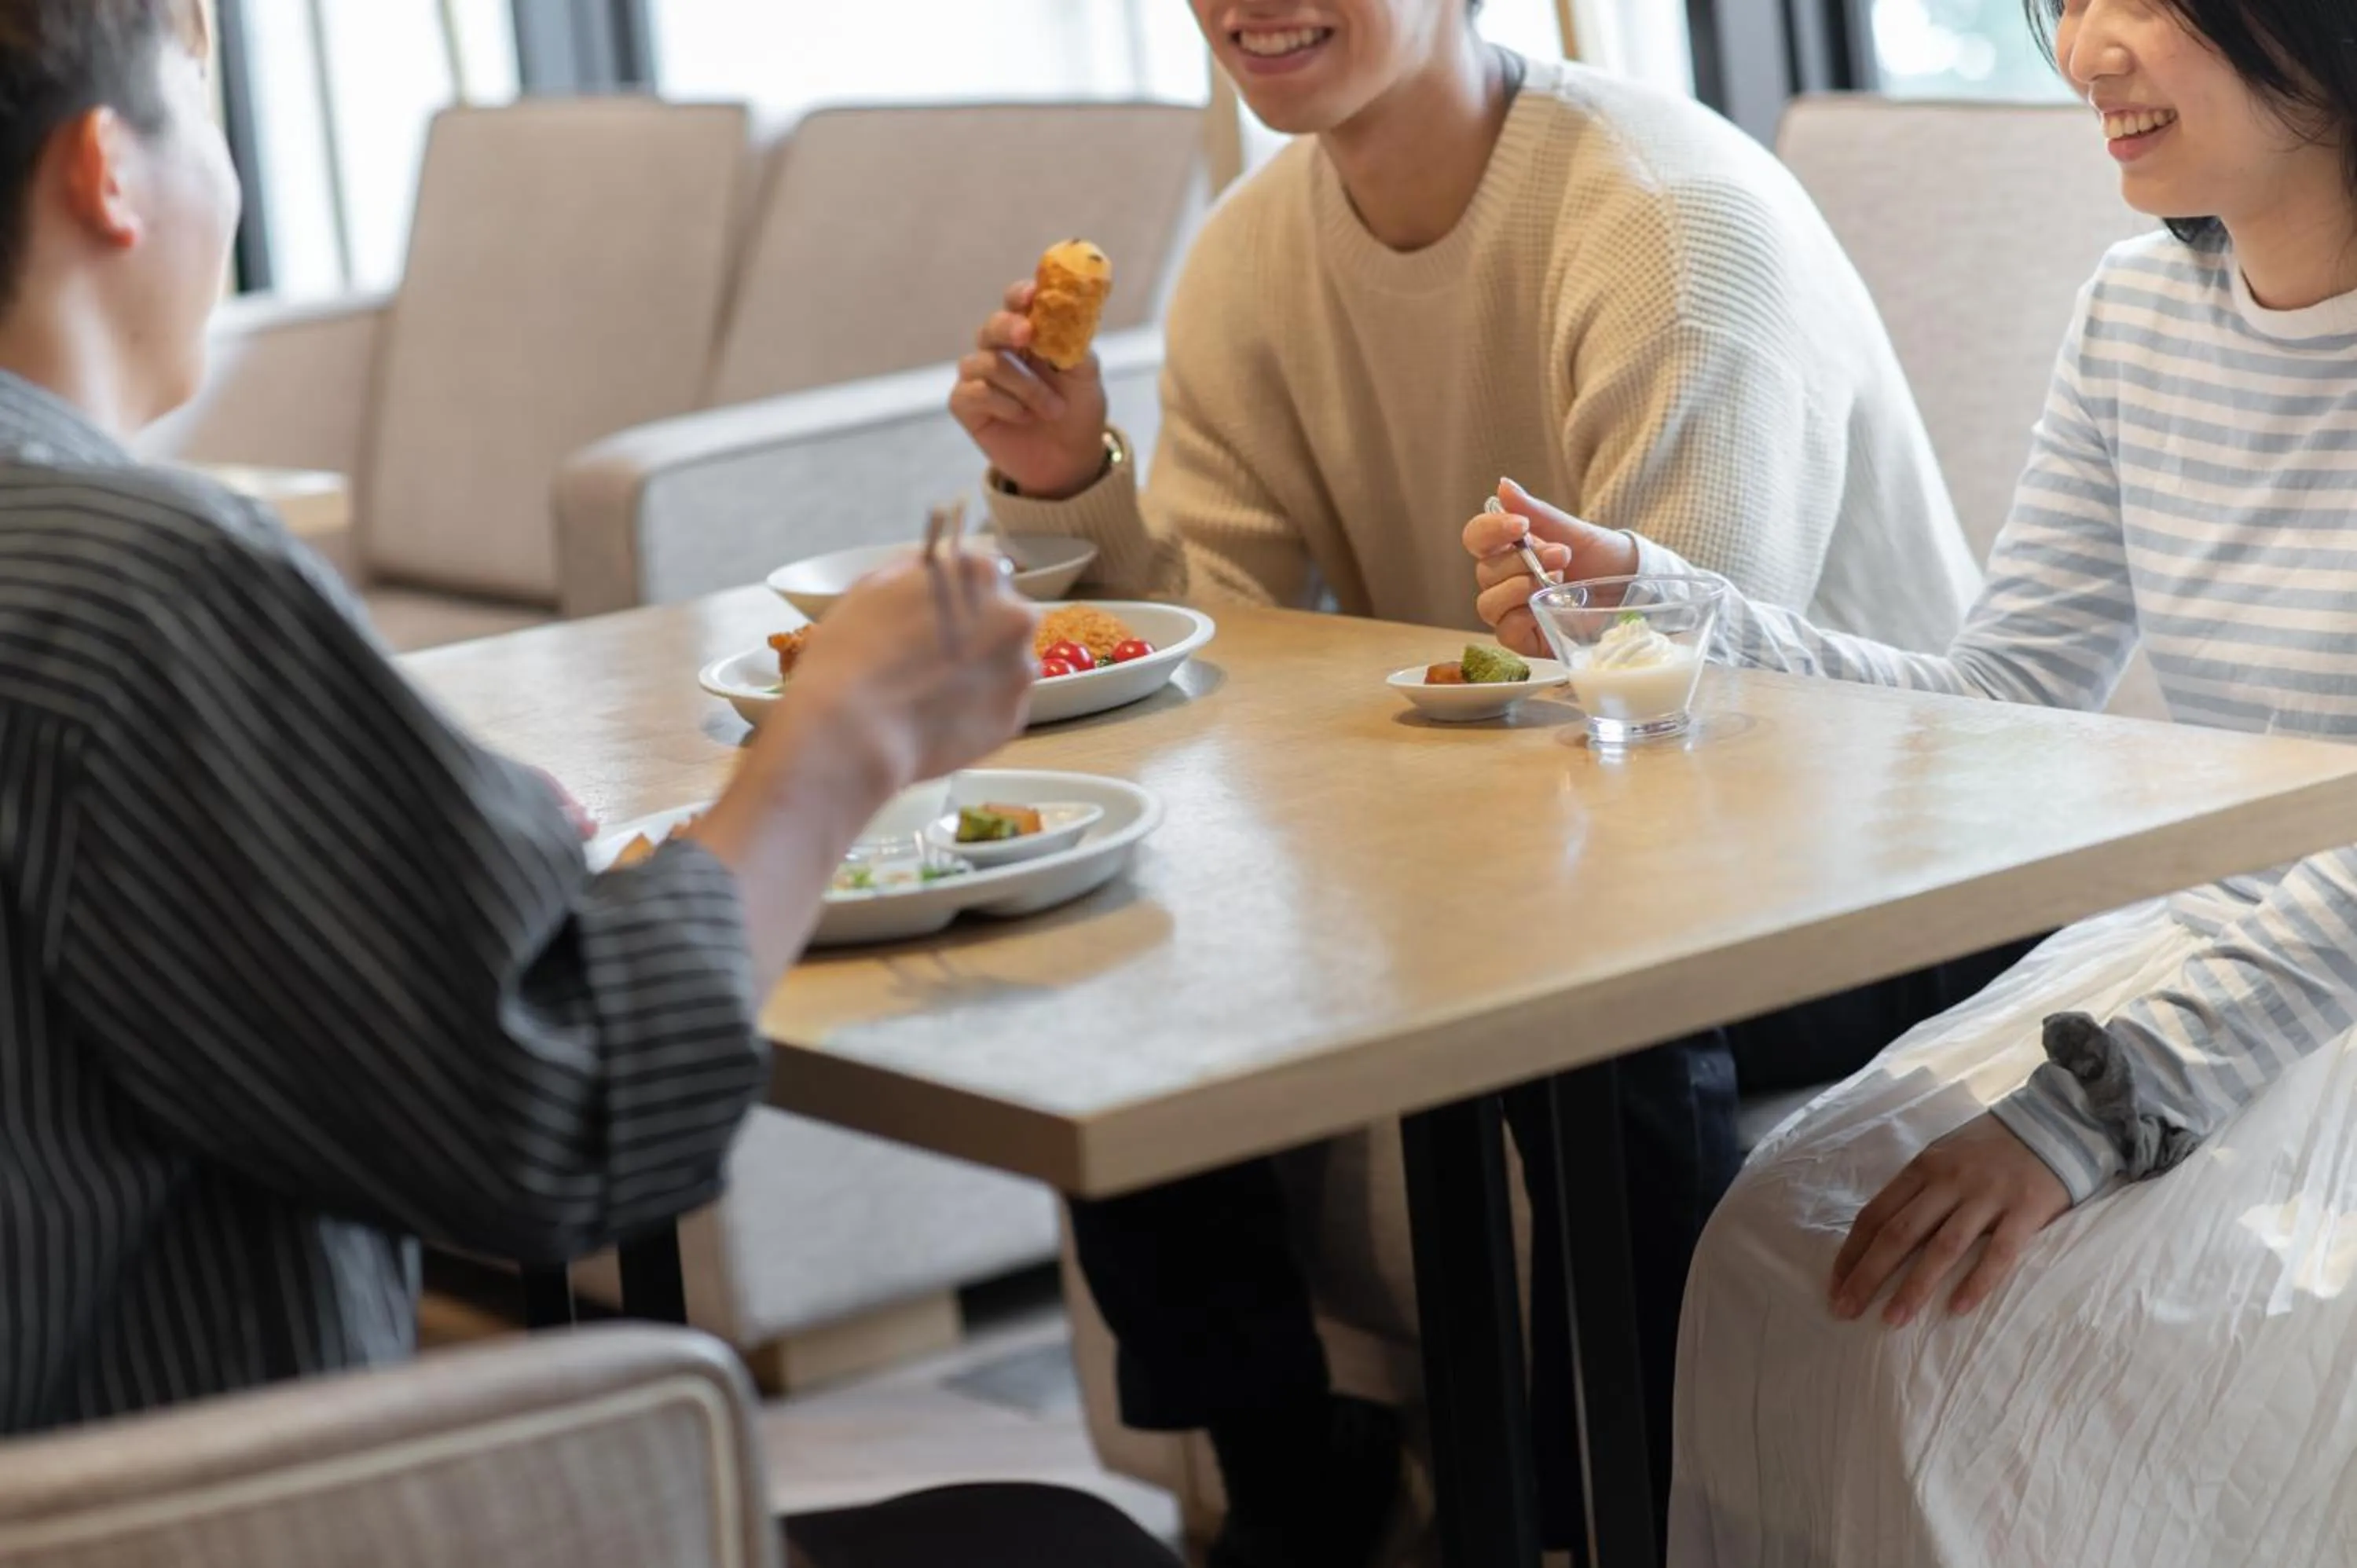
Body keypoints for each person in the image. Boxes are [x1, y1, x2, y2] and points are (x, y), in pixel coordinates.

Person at [949, 2, 2009, 1563]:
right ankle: (1295, 1476)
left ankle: (1617, 1521)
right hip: (1510, 840)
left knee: (1584, 991)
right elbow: (1213, 664)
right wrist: (1071, 487)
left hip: (1870, 860)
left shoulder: (1668, 223)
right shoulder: (1253, 253)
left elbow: (1681, 696)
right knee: (1109, 906)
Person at [1466, 1, 2357, 1562]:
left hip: (2301, 997)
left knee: (1965, 1340)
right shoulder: (2139, 311)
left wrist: (2090, 1114)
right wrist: (1669, 611)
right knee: (1776, 1261)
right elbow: (2002, 702)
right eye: (2066, 1)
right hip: (2205, 947)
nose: (2083, 52)